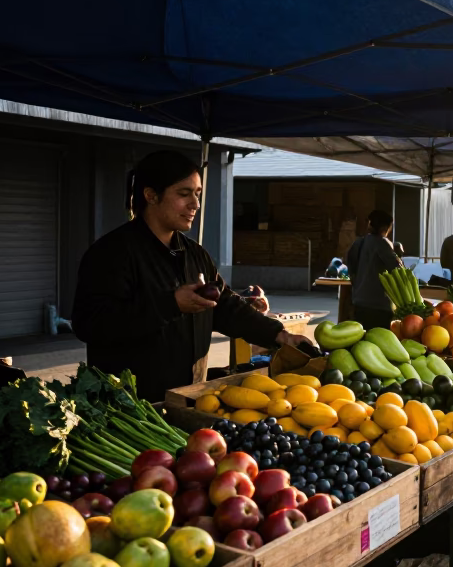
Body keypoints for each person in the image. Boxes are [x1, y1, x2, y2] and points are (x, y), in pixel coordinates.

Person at [72, 151, 311, 401]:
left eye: (197, 194)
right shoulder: (112, 253)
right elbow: (90, 324)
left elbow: (226, 308)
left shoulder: (194, 253)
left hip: (188, 397)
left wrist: (280, 335)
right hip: (130, 407)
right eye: (184, 194)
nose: (195, 204)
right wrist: (171, 304)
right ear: (151, 195)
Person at [346, 210, 404, 330]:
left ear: (370, 225)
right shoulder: (383, 244)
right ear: (386, 227)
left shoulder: (358, 243)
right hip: (379, 307)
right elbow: (398, 270)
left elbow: (350, 268)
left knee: (361, 339)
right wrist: (399, 255)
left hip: (359, 303)